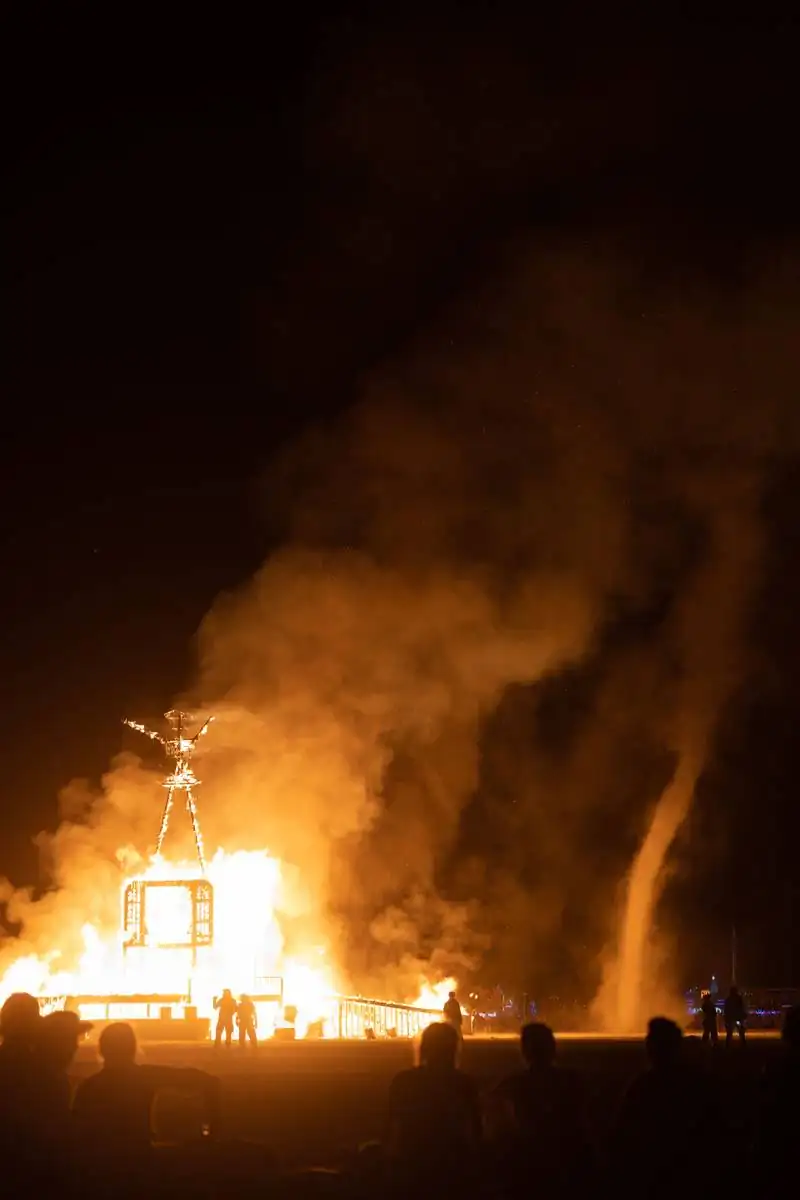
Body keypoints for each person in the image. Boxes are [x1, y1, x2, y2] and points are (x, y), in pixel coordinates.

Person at [72, 1022, 219, 1162]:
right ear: (132, 1049)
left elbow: (78, 1132)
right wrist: (213, 1132)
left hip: (102, 1164)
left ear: (102, 1050)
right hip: (139, 1157)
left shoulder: (89, 1087)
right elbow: (206, 1080)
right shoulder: (144, 1076)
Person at [612, 1016, 719, 1198]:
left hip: (653, 1176)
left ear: (651, 1049)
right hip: (692, 1176)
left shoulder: (642, 1087)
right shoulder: (700, 1084)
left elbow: (621, 1135)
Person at [487, 1021, 593, 1197]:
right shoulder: (572, 1081)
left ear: (525, 1051)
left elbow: (491, 1113)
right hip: (565, 1162)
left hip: (529, 1164)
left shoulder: (514, 1084)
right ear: (552, 1048)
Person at [386, 1021, 481, 1189]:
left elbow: (391, 1124)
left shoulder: (403, 1081)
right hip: (453, 1163)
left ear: (424, 1048)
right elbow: (476, 1129)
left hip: (412, 1160)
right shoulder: (464, 1083)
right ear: (453, 1049)